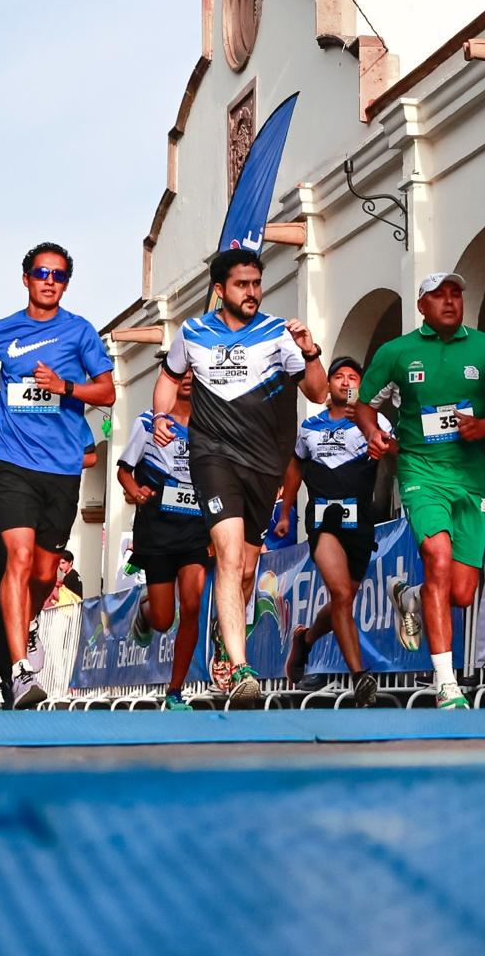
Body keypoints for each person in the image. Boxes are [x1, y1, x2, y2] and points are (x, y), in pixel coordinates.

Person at [153, 248, 327, 707]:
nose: (252, 292)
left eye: (256, 283)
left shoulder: (278, 333)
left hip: (265, 466)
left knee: (248, 569)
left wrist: (310, 351)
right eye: (241, 284)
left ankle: (223, 641)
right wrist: (160, 415)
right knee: (229, 558)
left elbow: (318, 391)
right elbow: (168, 378)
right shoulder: (192, 332)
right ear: (219, 290)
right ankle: (241, 667)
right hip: (213, 457)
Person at [355, 272, 485, 709]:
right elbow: (364, 405)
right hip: (421, 472)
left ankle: (409, 595)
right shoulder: (397, 352)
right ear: (422, 306)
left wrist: (484, 426)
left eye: (455, 294)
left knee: (461, 593)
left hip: (469, 478)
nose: (449, 301)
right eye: (438, 295)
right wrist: (373, 433)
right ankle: (446, 683)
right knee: (438, 557)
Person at [0, 240, 115, 708]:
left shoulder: (81, 331)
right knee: (20, 558)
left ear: (66, 283)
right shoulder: (0, 331)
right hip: (13, 464)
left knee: (46, 572)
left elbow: (107, 393)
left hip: (62, 466)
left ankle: (26, 626)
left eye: (59, 275)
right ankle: (21, 671)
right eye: (42, 273)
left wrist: (65, 386)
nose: (50, 281)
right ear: (26, 278)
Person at [0, 396, 97, 707]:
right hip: (0, 517)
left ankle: (30, 621)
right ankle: (14, 677)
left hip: (44, 508)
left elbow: (90, 456)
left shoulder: (61, 401)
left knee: (43, 577)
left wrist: (48, 460)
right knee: (2, 595)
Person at [278, 356, 393, 704]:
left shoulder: (373, 420)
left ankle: (306, 639)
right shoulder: (310, 427)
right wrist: (285, 513)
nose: (345, 382)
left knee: (345, 598)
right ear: (328, 385)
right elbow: (295, 467)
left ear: (361, 385)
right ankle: (360, 676)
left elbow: (396, 450)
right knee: (341, 595)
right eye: (339, 376)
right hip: (323, 519)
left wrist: (383, 444)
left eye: (352, 377)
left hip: (360, 520)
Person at [117, 368, 210, 711]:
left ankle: (175, 690)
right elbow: (124, 471)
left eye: (194, 371)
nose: (187, 378)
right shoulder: (147, 423)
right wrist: (135, 490)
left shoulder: (210, 425)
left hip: (195, 528)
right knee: (163, 620)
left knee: (192, 605)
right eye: (180, 372)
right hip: (156, 528)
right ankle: (144, 610)